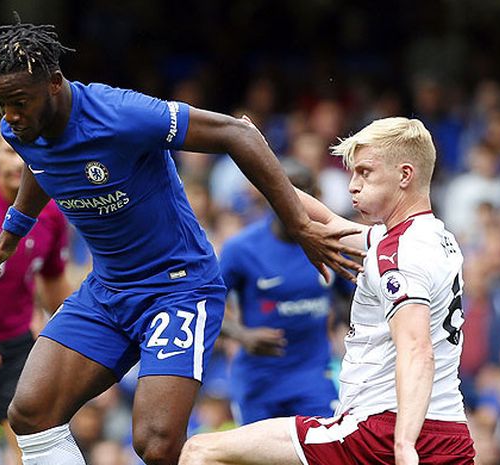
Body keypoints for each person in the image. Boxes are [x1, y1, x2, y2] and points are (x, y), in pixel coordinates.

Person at [0, 15, 362, 465]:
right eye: (1, 104)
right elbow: (43, 166)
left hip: (178, 289)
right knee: (30, 413)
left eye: (19, 102)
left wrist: (299, 225)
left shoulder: (120, 114)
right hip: (108, 291)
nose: (10, 117)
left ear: (55, 84)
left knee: (155, 444)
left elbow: (238, 133)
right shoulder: (20, 130)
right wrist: (9, 238)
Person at [180, 117, 476, 465]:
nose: (353, 185)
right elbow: (328, 222)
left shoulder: (395, 252)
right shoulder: (436, 238)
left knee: (201, 452)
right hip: (450, 434)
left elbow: (416, 350)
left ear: (405, 175)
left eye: (365, 172)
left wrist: (403, 444)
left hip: (380, 431)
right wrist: (257, 155)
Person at [220, 158, 353, 424]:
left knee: (326, 448)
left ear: (318, 197)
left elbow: (354, 297)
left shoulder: (328, 245)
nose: (296, 201)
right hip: (260, 379)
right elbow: (203, 304)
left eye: (305, 192)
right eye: (288, 191)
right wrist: (242, 335)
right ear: (270, 194)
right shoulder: (242, 249)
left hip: (312, 376)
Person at [0, 126, 71, 464]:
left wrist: (71, 342)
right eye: (11, 151)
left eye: (27, 155)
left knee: (30, 435)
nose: (19, 162)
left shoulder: (52, 213)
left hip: (17, 345)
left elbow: (55, 283)